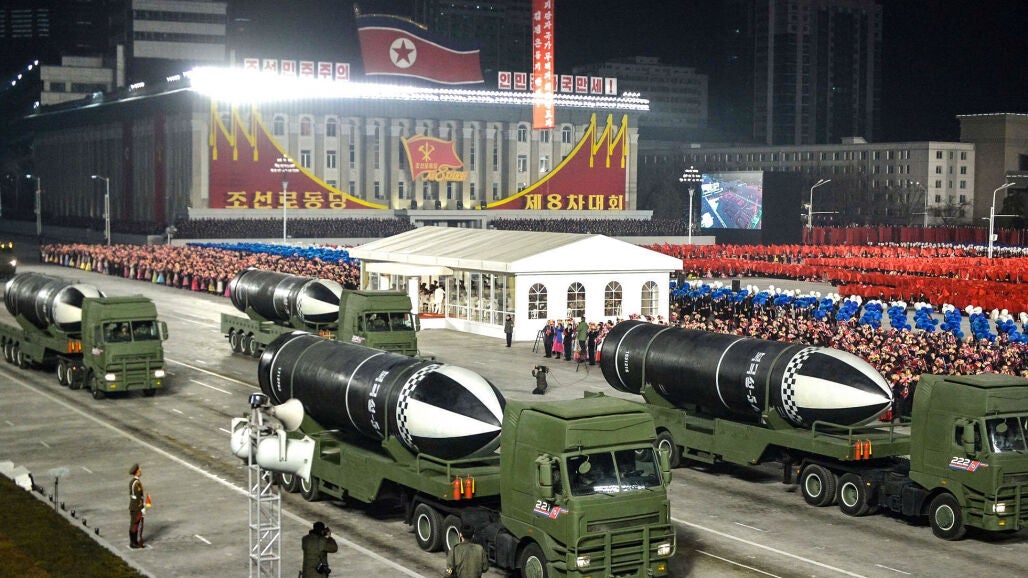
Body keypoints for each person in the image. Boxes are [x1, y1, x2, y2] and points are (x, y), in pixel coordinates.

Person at [128, 463, 146, 548]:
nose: (140, 471)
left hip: (134, 505)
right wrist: (142, 507)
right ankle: (133, 543)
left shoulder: (133, 482)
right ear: (136, 472)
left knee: (134, 524)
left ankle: (134, 541)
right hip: (136, 507)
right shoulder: (136, 483)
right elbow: (138, 497)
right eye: (139, 470)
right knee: (135, 524)